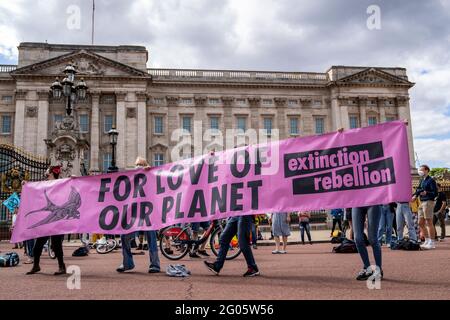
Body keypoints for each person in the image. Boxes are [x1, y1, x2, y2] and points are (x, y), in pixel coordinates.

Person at [116, 157, 160, 273]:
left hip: (148, 213)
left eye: (140, 164)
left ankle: (155, 264)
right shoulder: (131, 177)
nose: (138, 166)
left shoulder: (151, 175)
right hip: (134, 213)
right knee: (124, 236)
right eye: (136, 164)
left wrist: (151, 171)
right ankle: (127, 263)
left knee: (151, 238)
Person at [26, 165, 66, 275]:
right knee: (38, 245)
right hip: (46, 219)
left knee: (56, 245)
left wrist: (74, 178)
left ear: (52, 174)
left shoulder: (61, 184)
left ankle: (62, 266)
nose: (46, 175)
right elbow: (34, 189)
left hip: (56, 219)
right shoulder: (45, 184)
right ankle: (36, 265)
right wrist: (26, 185)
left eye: (47, 174)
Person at [352, 205, 383, 281]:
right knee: (357, 238)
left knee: (372, 239)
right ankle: (367, 268)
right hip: (357, 201)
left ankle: (378, 270)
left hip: (373, 200)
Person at [413, 164, 438, 250]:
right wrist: (415, 196)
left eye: (421, 169)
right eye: (419, 169)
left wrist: (427, 193)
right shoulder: (422, 180)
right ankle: (427, 240)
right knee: (420, 222)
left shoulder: (431, 180)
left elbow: (435, 193)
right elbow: (418, 189)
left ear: (427, 170)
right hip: (421, 202)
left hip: (428, 201)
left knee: (429, 222)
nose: (420, 171)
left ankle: (432, 242)